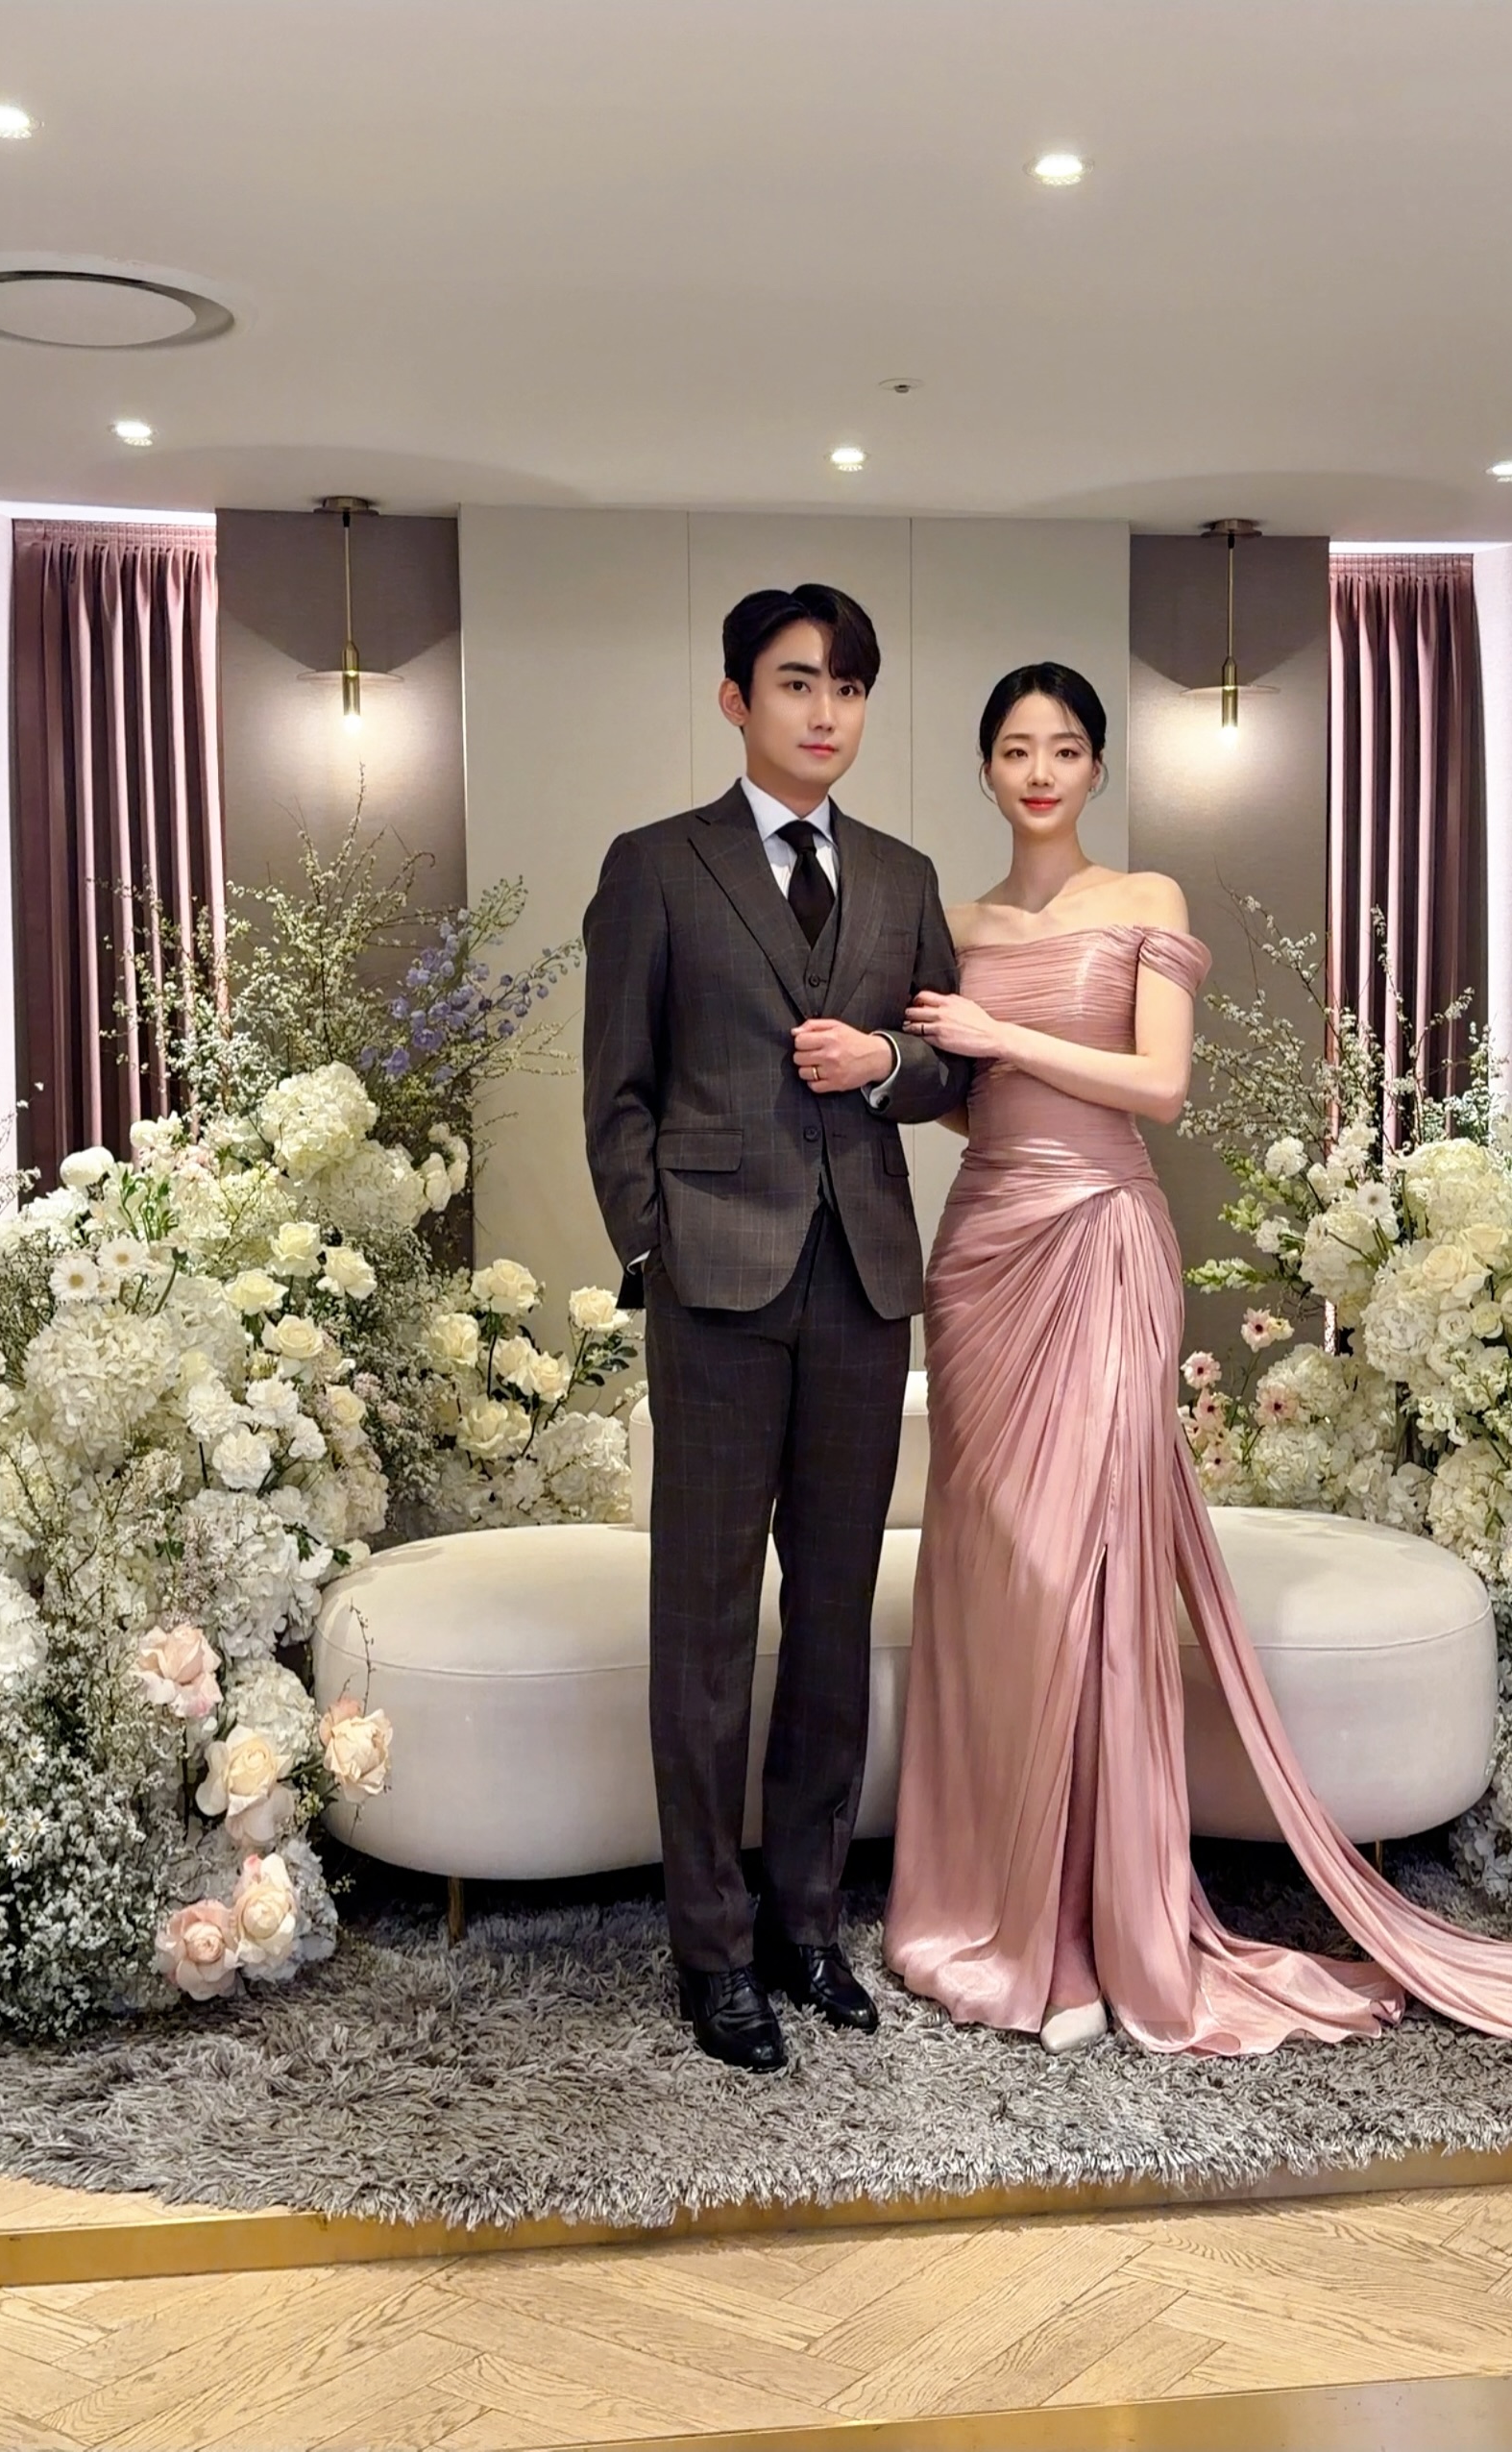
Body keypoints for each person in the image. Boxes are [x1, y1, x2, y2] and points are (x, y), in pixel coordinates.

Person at [883, 659, 1512, 2056]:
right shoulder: (951, 923)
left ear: (1097, 769)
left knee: (1090, 1568)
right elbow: (967, 1101)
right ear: (985, 767)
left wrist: (1000, 1033)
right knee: (994, 1571)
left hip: (1104, 1236)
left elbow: (1159, 1086)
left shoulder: (1147, 899)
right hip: (983, 1253)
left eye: (1065, 748)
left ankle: (1099, 1927)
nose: (1040, 770)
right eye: (1016, 747)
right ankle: (998, 1911)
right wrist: (956, 1063)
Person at [582, 583, 969, 2072]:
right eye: (799, 682)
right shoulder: (657, 867)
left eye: (850, 688)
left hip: (863, 1284)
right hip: (716, 1291)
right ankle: (711, 1945)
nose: (826, 711)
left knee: (832, 1618)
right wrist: (655, 1247)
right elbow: (617, 1090)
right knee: (703, 1628)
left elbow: (951, 1068)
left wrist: (885, 1064)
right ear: (737, 699)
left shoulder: (903, 875)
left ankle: (809, 1924)